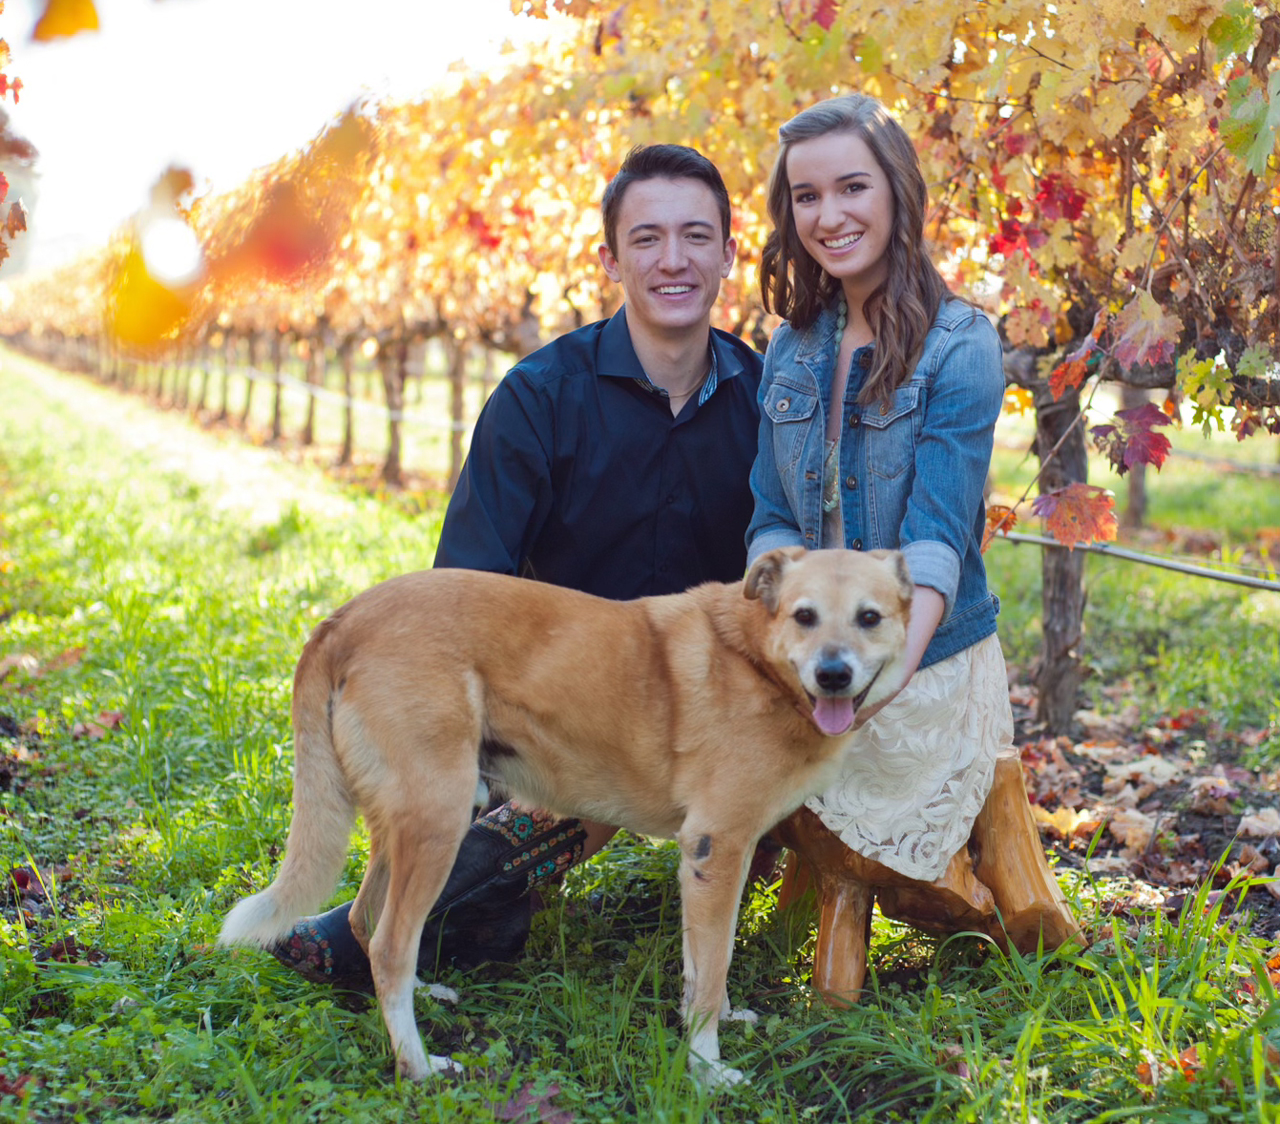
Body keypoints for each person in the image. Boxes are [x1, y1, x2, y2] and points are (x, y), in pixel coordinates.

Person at [267, 143, 764, 988]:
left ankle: (464, 903)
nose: (672, 260)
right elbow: (465, 589)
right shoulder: (539, 397)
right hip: (546, 700)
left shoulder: (764, 400)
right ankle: (429, 906)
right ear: (609, 259)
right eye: (645, 239)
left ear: (727, 251)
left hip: (698, 706)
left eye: (694, 236)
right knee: (502, 808)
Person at [747, 92, 1078, 951]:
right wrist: (783, 629)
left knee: (911, 859)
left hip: (920, 656)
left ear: (896, 190)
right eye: (806, 197)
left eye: (851, 187)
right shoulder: (792, 346)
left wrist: (881, 680)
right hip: (819, 644)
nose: (829, 215)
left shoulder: (958, 343)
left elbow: (935, 537)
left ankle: (978, 893)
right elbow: (774, 511)